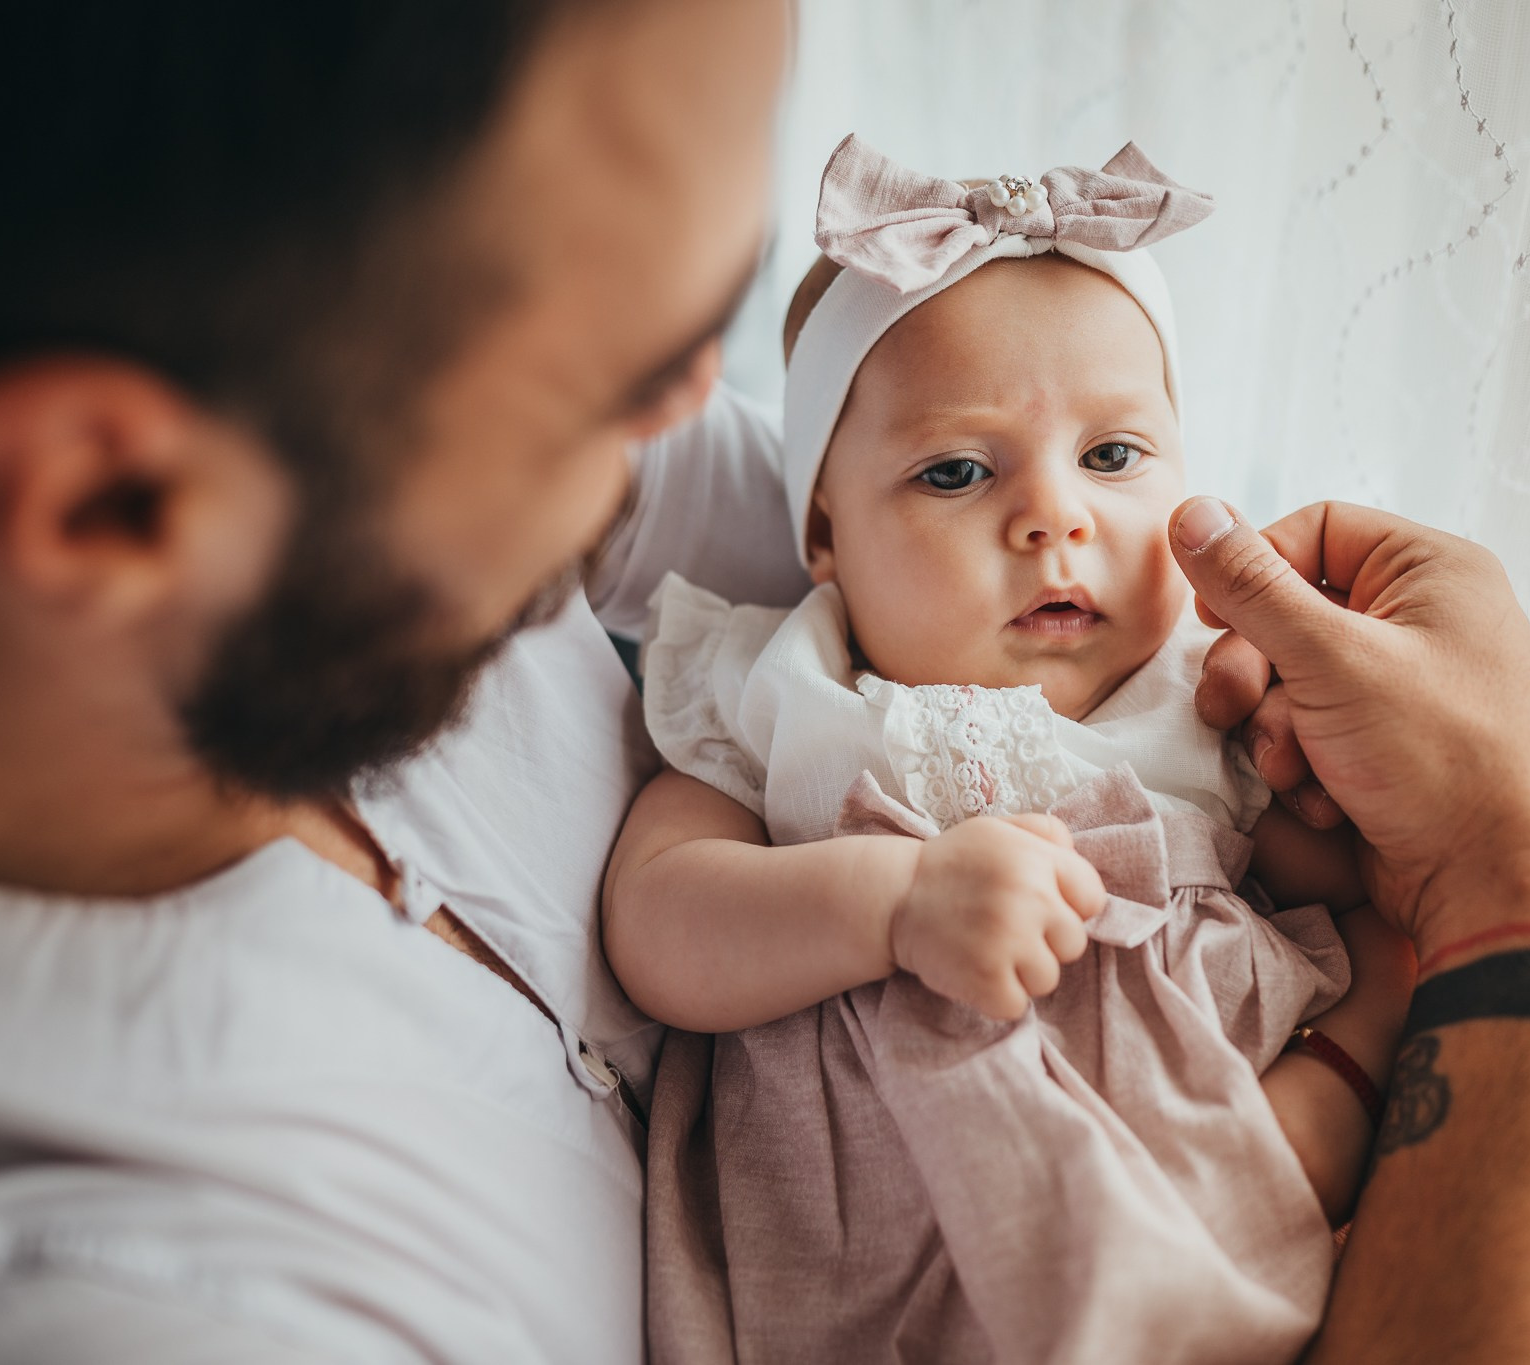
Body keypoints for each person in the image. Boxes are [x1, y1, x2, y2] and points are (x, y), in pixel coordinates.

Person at [0, 4, 1530, 1364]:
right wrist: (1527, 901)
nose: (690, 426)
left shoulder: (343, 482)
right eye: (631, 366)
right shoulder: (143, 1305)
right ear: (104, 504)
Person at [603, 136, 1412, 1364]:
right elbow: (656, 922)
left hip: (1189, 1225)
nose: (1053, 516)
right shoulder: (778, 689)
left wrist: (1330, 1098)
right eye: (955, 471)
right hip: (853, 1274)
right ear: (824, 534)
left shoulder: (1215, 695)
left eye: (1111, 456)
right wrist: (892, 903)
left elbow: (1369, 913)